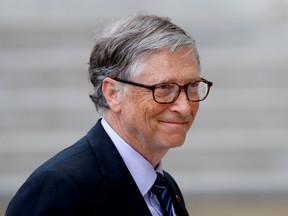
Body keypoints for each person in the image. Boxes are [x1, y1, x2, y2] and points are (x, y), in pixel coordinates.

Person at [6, 14, 213, 216]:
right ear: (113, 94)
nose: (185, 107)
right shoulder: (61, 188)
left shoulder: (164, 187)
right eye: (164, 87)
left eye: (192, 85)